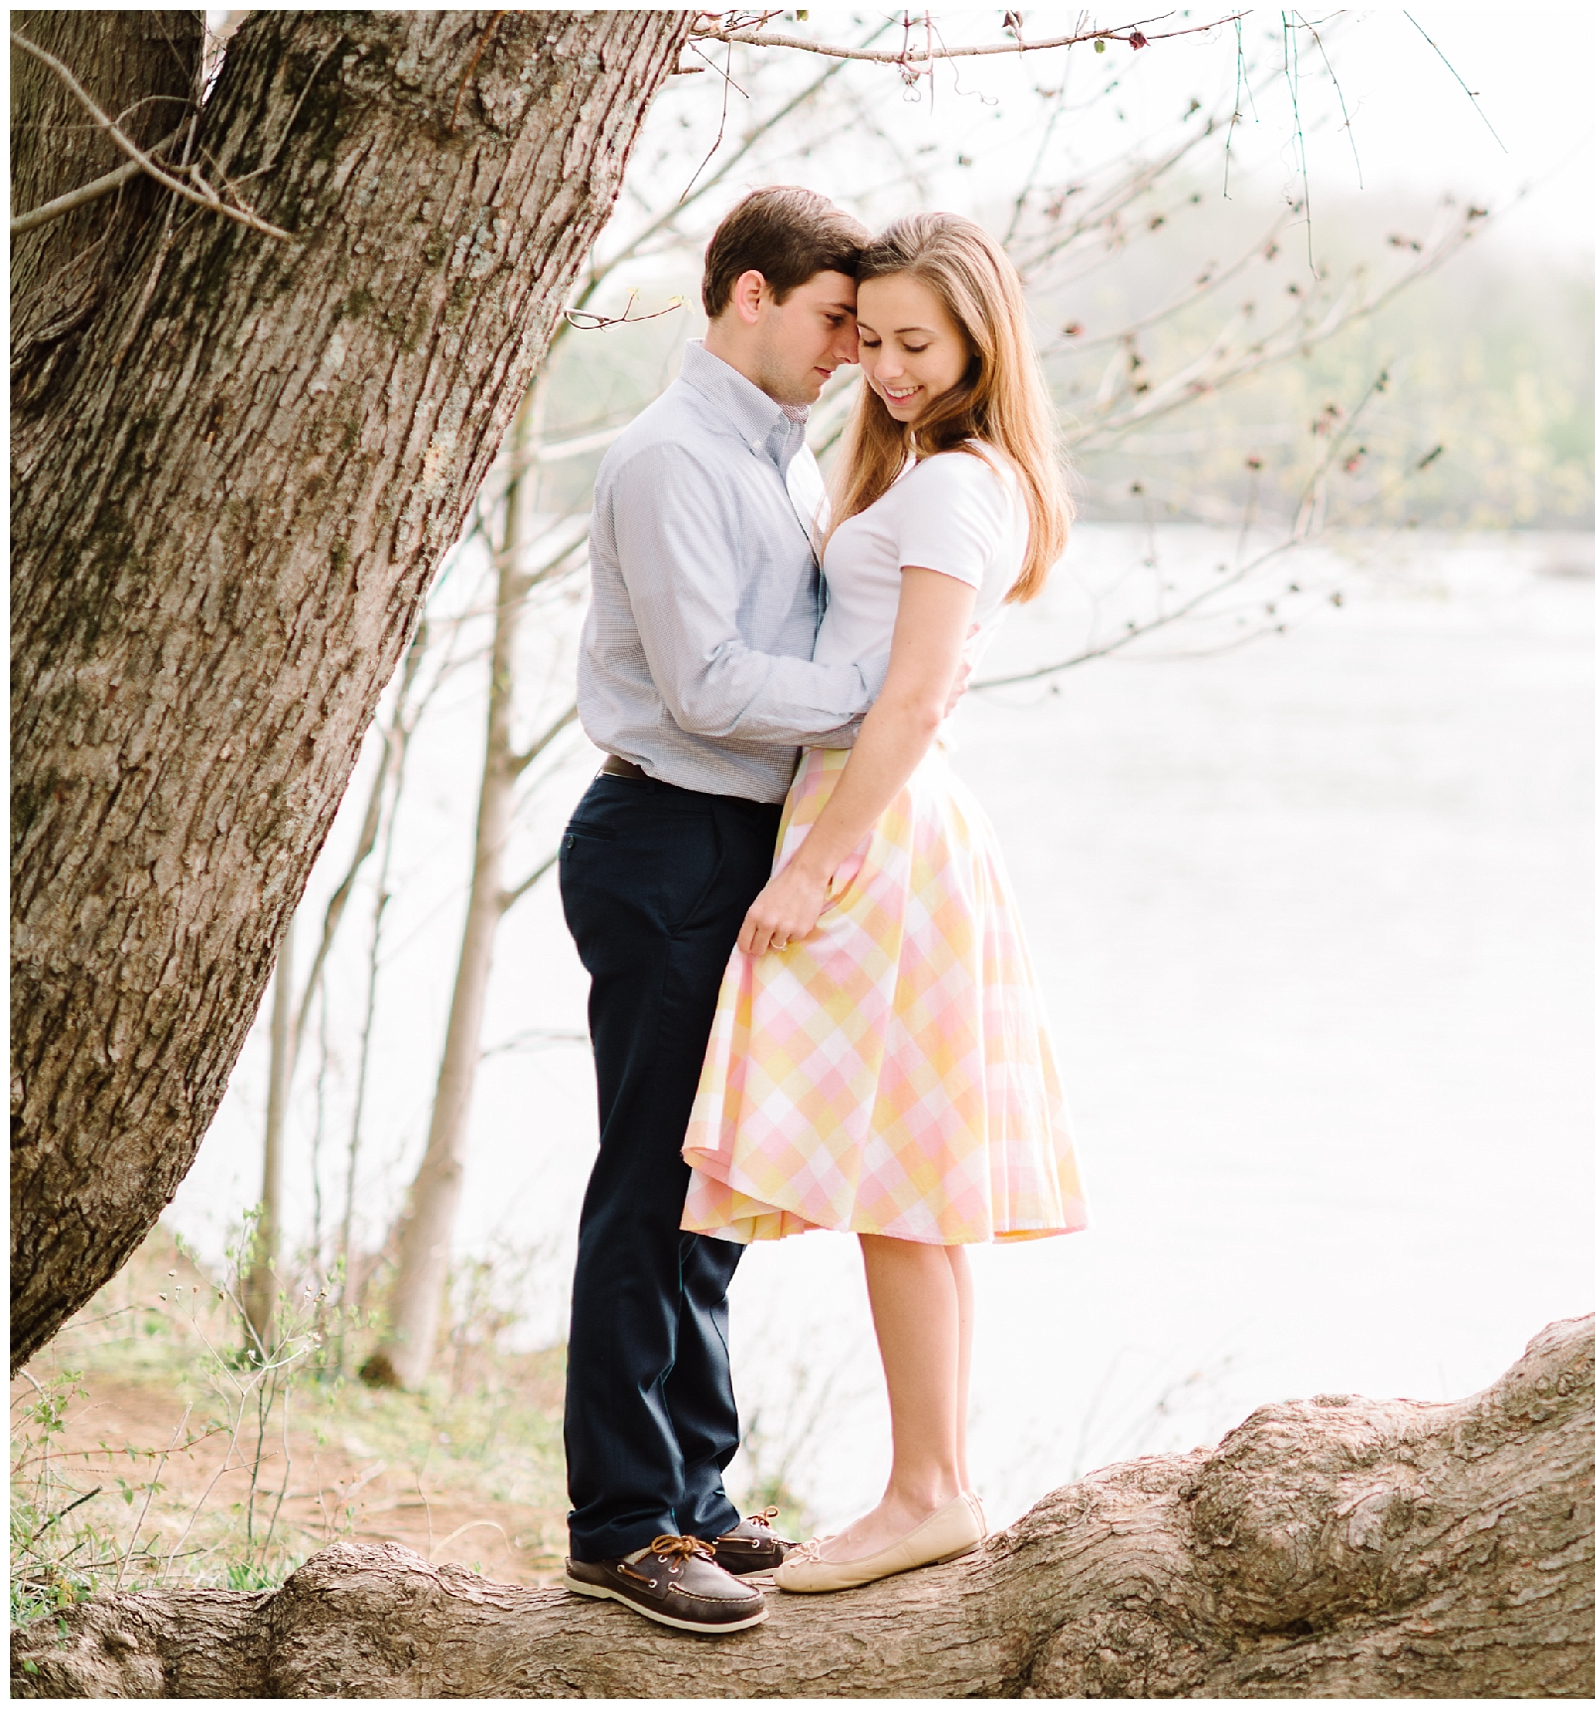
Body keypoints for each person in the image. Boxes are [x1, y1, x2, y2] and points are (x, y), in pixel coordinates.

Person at [677, 210, 1087, 1597]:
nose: (891, 368)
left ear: (981, 338)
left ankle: (926, 1487)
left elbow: (907, 697)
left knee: (902, 1184)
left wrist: (818, 861)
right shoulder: (923, 469)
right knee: (903, 1185)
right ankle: (937, 1480)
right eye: (873, 340)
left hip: (880, 827)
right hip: (885, 818)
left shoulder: (957, 486)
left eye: (919, 343)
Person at [557, 186, 881, 1636]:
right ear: (749, 294)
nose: (850, 353)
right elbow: (708, 686)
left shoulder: (785, 464)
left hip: (738, 843)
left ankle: (694, 1487)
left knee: (711, 1191)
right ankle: (621, 1524)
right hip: (664, 837)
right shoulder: (671, 459)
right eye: (833, 321)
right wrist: (892, 705)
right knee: (646, 1182)